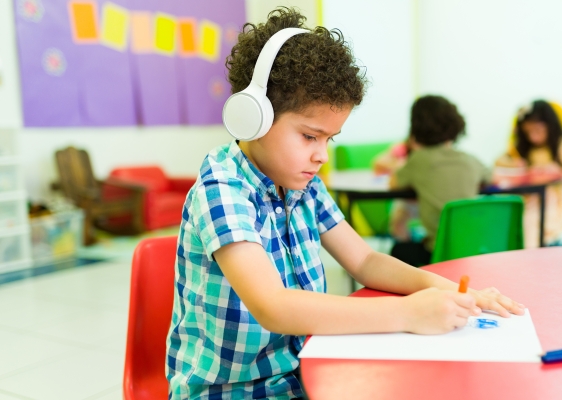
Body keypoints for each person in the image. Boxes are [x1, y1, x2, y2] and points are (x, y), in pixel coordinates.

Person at [166, 8, 524, 399]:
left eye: (329, 140)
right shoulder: (222, 190)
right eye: (309, 136)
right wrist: (408, 313)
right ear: (253, 118)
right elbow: (272, 306)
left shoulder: (304, 185)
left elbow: (366, 262)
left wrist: (449, 290)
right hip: (231, 392)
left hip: (305, 376)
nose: (322, 155)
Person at [389, 95, 492, 266]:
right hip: (474, 250)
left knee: (398, 250)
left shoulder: (418, 160)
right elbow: (491, 177)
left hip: (438, 254)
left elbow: (393, 183)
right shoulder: (470, 160)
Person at [495, 100, 562, 248]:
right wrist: (515, 164)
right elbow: (498, 163)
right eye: (528, 133)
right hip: (527, 199)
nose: (533, 137)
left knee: (531, 220)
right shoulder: (524, 149)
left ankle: (529, 255)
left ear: (550, 127)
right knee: (507, 215)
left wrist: (557, 173)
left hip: (553, 203)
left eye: (538, 131)